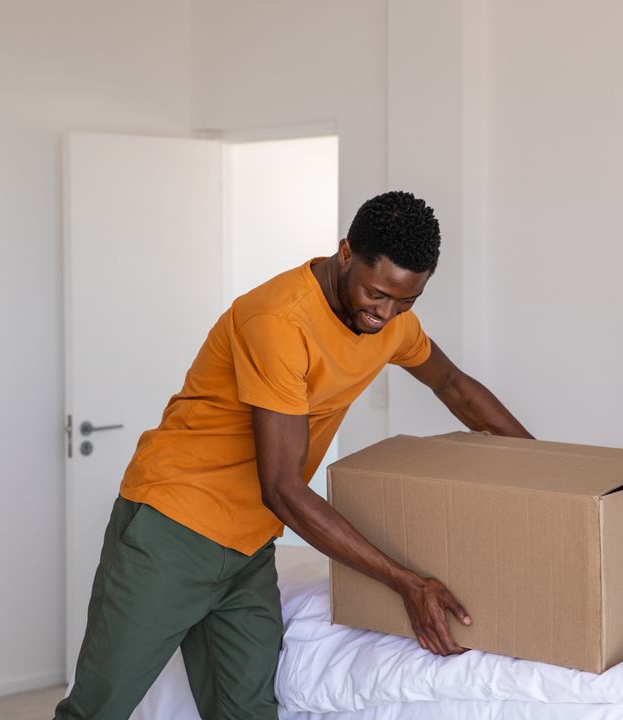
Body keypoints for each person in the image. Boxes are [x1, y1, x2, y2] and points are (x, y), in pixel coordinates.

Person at [55, 191, 532, 720]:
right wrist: (407, 582)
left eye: (406, 302)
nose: (386, 313)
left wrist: (548, 470)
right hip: (174, 527)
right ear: (345, 253)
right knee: (97, 710)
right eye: (377, 294)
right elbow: (282, 487)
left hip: (250, 544)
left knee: (249, 713)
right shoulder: (279, 321)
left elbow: (453, 385)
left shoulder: (392, 322)